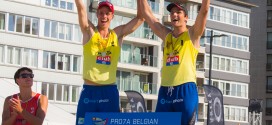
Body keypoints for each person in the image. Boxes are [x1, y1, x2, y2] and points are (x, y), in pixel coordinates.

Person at [139, 0, 210, 124]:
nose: (174, 15)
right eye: (172, 13)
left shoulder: (192, 34)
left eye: (178, 12)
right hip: (166, 91)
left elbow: (204, 11)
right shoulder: (167, 35)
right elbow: (147, 14)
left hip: (185, 89)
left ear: (186, 17)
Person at [74, 0, 144, 124]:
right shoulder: (89, 31)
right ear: (97, 14)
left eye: (107, 13)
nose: (104, 16)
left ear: (112, 16)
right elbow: (81, 8)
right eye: (101, 13)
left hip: (109, 91)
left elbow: (140, 18)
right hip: (89, 91)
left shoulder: (117, 34)